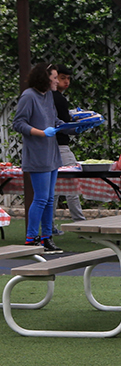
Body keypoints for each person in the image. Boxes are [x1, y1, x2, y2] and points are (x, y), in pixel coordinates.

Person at [10, 62, 68, 251]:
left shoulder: (49, 95)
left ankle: (46, 237)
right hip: (37, 155)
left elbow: (54, 119)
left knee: (50, 199)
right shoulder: (28, 96)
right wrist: (41, 132)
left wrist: (71, 126)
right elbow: (18, 123)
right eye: (53, 78)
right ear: (44, 79)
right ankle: (31, 238)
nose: (56, 81)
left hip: (51, 154)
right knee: (41, 198)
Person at [51, 66, 86, 224]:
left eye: (68, 78)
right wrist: (80, 125)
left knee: (53, 188)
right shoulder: (58, 98)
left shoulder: (46, 97)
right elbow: (63, 126)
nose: (66, 81)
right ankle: (80, 223)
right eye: (62, 77)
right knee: (72, 184)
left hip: (48, 146)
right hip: (61, 146)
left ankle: (49, 226)